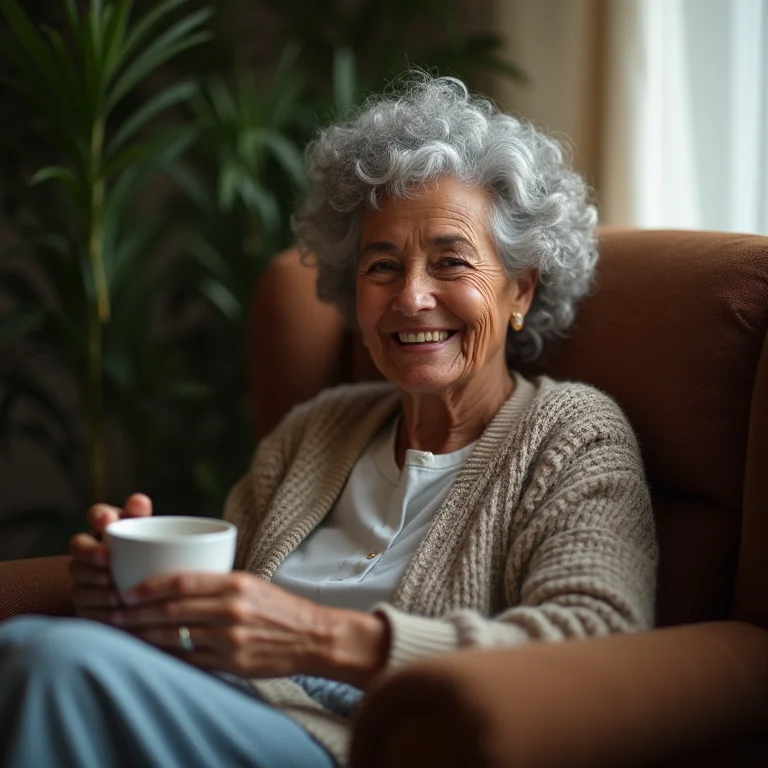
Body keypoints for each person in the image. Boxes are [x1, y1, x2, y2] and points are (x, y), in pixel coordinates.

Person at [0, 73, 658, 768]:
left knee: (42, 662)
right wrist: (138, 606)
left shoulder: (572, 433)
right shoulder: (316, 430)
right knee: (40, 655)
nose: (411, 297)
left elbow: (599, 638)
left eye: (450, 261)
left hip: (356, 745)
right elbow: (223, 632)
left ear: (520, 286)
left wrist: (321, 638)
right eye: (382, 266)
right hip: (221, 712)